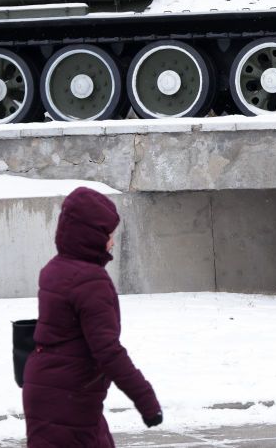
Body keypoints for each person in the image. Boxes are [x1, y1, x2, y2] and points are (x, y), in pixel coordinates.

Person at [23, 187, 162, 447]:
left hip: (50, 389)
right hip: (69, 398)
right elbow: (107, 350)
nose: (112, 242)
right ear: (90, 235)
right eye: (108, 235)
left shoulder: (55, 269)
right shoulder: (90, 281)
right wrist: (146, 399)